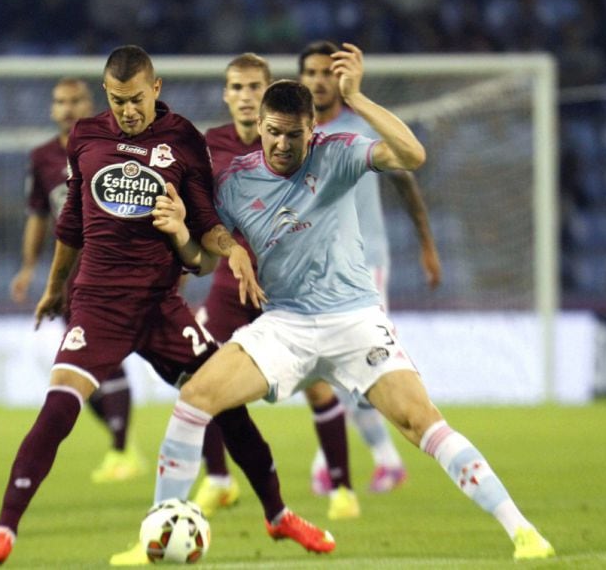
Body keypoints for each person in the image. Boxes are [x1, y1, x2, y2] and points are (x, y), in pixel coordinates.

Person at [150, 43, 555, 562]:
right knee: (196, 397)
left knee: (421, 421)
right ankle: (158, 533)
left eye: (292, 135)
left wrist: (358, 98)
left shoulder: (337, 152)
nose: (279, 145)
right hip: (285, 325)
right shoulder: (234, 181)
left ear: (311, 129)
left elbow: (412, 156)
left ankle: (522, 531)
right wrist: (192, 238)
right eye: (272, 132)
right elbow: (201, 261)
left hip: (354, 321)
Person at [0, 45, 334, 568]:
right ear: (107, 96)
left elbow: (206, 220)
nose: (128, 111)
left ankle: (278, 516)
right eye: (117, 101)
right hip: (97, 303)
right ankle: (3, 531)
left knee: (226, 404)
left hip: (162, 306)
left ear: (155, 88)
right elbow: (71, 224)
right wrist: (54, 287)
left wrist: (232, 254)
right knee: (59, 406)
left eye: (136, 99)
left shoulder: (183, 139)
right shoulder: (87, 138)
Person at [194, 53, 359, 522]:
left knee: (317, 385)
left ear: (269, 96)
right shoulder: (209, 146)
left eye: (254, 88)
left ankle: (342, 488)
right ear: (226, 95)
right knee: (203, 375)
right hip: (230, 283)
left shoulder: (299, 145)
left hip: (288, 282)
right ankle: (219, 480)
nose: (245, 97)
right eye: (237, 88)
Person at [298, 40, 442, 497]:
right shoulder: (292, 134)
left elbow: (406, 183)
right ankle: (369, 459)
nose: (319, 80)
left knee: (357, 364)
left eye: (326, 72)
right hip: (314, 268)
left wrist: (426, 245)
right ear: (300, 80)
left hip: (366, 265)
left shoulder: (362, 126)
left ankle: (362, 460)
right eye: (311, 73)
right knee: (323, 369)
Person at [8, 77, 144, 485]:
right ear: (52, 109)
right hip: (72, 275)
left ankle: (122, 451)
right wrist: (29, 267)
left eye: (76, 100)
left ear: (92, 104)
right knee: (79, 370)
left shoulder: (117, 146)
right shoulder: (43, 158)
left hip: (117, 266)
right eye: (60, 101)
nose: (67, 108)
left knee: (102, 358)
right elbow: (38, 217)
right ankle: (124, 444)